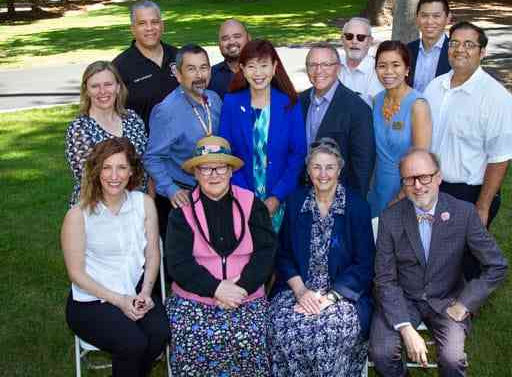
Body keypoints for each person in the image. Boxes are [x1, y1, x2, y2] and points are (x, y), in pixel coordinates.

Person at [368, 149, 508, 377]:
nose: (418, 186)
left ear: (439, 177)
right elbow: (384, 279)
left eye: (425, 177)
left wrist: (465, 303)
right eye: (409, 179)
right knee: (382, 354)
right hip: (403, 298)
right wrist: (405, 329)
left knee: (452, 360)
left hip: (447, 298)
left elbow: (497, 265)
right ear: (403, 182)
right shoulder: (390, 218)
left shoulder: (464, 213)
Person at [165, 135, 277, 376]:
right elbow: (177, 263)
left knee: (250, 334)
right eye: (205, 168)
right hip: (194, 298)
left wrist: (241, 289)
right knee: (194, 335)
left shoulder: (251, 204)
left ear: (230, 171)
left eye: (220, 167)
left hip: (244, 294)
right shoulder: (181, 212)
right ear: (195, 173)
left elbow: (266, 253)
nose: (213, 174)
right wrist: (216, 288)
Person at [62, 138, 170, 377]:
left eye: (121, 167)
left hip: (135, 290)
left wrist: (145, 293)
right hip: (91, 301)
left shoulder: (144, 203)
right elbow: (76, 274)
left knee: (159, 334)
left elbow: (152, 252)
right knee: (132, 343)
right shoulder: (78, 215)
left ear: (131, 171)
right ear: (97, 170)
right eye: (107, 167)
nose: (114, 175)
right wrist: (120, 301)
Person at [269, 138, 375, 376]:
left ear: (340, 169)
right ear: (308, 171)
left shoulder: (357, 207)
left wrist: (330, 297)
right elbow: (283, 253)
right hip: (298, 289)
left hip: (342, 295)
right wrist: (300, 292)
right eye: (316, 167)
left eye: (329, 167)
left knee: (331, 329)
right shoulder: (296, 202)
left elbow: (365, 264)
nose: (323, 173)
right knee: (283, 324)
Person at [424, 21, 512, 279]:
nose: (460, 50)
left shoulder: (496, 96)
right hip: (434, 185)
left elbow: (500, 157)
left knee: (465, 261)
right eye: (454, 43)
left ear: (483, 52)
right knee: (435, 254)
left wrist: (482, 205)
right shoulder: (435, 88)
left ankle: (468, 304)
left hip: (469, 191)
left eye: (469, 44)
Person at [219, 39, 306, 232]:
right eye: (251, 66)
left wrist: (277, 196)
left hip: (282, 199)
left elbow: (298, 154)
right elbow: (226, 154)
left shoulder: (289, 104)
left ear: (274, 67)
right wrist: (247, 197)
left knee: (280, 256)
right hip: (242, 198)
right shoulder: (232, 103)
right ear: (242, 68)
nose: (258, 73)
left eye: (264, 65)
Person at [144, 44, 222, 240]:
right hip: (185, 195)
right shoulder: (167, 111)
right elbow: (152, 157)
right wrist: (171, 189)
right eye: (191, 69)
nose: (199, 75)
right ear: (178, 74)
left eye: (204, 67)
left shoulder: (214, 99)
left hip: (215, 190)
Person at [65, 61, 147, 207]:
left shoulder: (133, 119)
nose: (102, 91)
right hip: (97, 207)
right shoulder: (80, 128)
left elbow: (145, 165)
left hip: (136, 204)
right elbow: (88, 178)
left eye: (108, 84)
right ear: (86, 91)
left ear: (118, 87)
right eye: (95, 86)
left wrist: (146, 204)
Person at [299, 42, 375, 198]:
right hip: (301, 193)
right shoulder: (299, 102)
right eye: (313, 65)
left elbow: (363, 165)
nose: (319, 71)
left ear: (338, 68)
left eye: (326, 64)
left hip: (338, 197)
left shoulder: (358, 109)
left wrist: (353, 204)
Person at [368, 41, 432, 217]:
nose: (388, 71)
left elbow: (421, 161)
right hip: (376, 188)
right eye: (382, 66)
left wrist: (400, 197)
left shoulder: (417, 105)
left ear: (406, 69)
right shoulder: (376, 101)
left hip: (406, 192)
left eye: (395, 65)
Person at [113, 0, 179, 130]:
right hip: (144, 146)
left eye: (154, 22)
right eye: (142, 23)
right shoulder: (120, 67)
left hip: (185, 144)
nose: (150, 28)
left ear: (162, 25)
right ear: (132, 29)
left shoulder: (179, 56)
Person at [407, 0, 452, 93]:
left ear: (448, 18)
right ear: (417, 18)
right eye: (424, 16)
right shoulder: (406, 51)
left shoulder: (457, 52)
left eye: (436, 16)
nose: (429, 22)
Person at [339, 17, 384, 105]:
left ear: (370, 41)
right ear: (342, 39)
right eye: (349, 36)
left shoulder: (380, 72)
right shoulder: (331, 65)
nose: (354, 41)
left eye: (361, 37)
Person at [208, 19, 251, 99]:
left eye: (237, 36)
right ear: (219, 43)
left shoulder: (263, 73)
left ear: (249, 38)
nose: (231, 41)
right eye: (225, 39)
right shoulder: (209, 77)